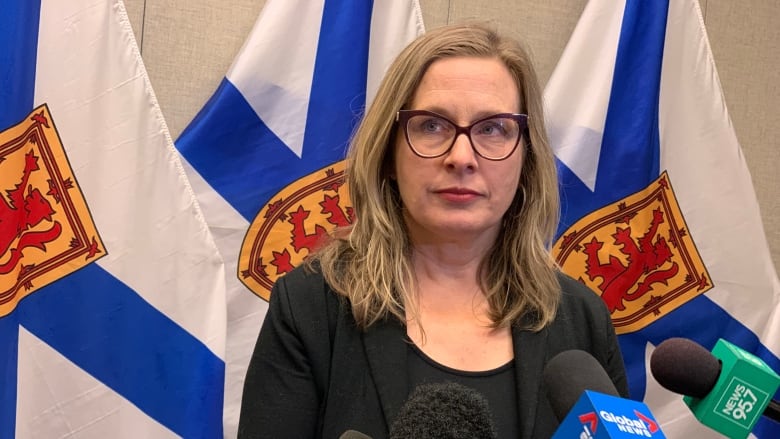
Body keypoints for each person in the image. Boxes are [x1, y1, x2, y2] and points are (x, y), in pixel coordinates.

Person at [238, 22, 627, 439]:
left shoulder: (582, 319)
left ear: (526, 159)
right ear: (389, 152)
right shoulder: (312, 308)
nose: (462, 157)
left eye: (493, 129)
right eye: (432, 125)